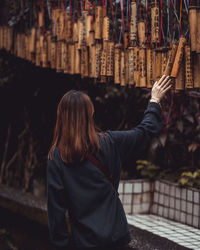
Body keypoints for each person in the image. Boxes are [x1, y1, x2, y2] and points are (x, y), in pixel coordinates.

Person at [46, 75, 172, 250]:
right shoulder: (109, 143)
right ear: (90, 113)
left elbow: (56, 213)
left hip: (83, 242)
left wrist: (62, 245)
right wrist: (154, 100)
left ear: (61, 117)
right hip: (116, 238)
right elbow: (145, 131)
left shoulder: (56, 157)